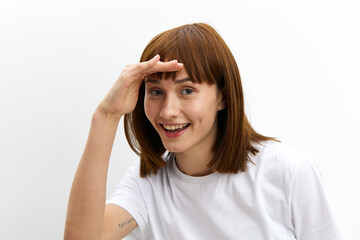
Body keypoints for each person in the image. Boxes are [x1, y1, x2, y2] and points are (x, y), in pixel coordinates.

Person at [64, 23, 342, 240]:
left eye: (187, 90)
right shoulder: (146, 184)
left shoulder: (288, 171)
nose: (168, 110)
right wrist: (106, 115)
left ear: (222, 97)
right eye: (156, 91)